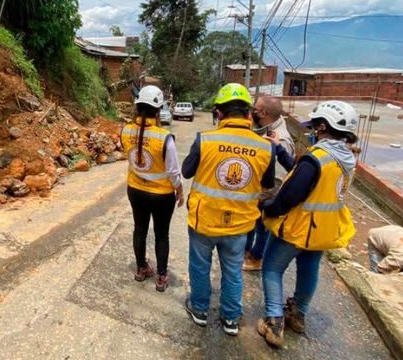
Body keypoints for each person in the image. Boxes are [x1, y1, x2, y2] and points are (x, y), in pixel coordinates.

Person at [257, 100, 360, 348]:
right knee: (309, 269)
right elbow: (302, 173)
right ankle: (298, 314)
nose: (312, 130)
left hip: (299, 227)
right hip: (323, 229)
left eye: (314, 126)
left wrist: (268, 207)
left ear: (323, 127)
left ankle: (274, 321)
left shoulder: (317, 158)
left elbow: (290, 195)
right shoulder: (345, 160)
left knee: (272, 268)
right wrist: (280, 150)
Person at [182, 83, 275, 336]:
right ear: (248, 115)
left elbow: (186, 171)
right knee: (233, 271)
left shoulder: (205, 139)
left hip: (204, 221)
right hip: (240, 225)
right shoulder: (266, 147)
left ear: (219, 113)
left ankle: (200, 310)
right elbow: (267, 185)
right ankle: (231, 319)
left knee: (200, 268)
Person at [121, 85, 184, 293]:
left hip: (135, 190)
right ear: (158, 111)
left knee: (139, 229)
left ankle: (141, 269)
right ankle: (161, 276)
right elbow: (173, 171)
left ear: (137, 108)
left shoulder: (126, 130)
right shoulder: (164, 137)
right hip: (161, 195)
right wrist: (179, 190)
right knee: (161, 234)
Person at [243, 95, 296, 271]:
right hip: (258, 191)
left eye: (255, 109)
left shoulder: (281, 140)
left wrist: (255, 196)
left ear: (264, 113)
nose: (252, 112)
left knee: (262, 228)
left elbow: (278, 180)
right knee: (254, 226)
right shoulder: (264, 129)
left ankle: (256, 258)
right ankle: (247, 252)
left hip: (266, 195)